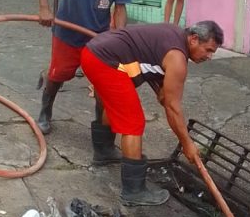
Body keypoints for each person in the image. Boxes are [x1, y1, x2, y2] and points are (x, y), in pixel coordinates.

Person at [80, 20, 224, 206]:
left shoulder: (174, 34)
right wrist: (187, 143)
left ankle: (104, 151)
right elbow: (173, 107)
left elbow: (153, 64)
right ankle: (133, 191)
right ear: (194, 39)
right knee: (133, 122)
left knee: (112, 102)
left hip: (94, 53)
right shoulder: (177, 58)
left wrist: (163, 91)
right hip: (105, 61)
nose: (210, 57)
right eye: (209, 50)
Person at [34, 0, 134, 138]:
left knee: (103, 87)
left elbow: (119, 9)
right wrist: (44, 8)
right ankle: (45, 111)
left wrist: (118, 39)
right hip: (67, 31)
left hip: (98, 38)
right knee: (58, 75)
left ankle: (101, 134)